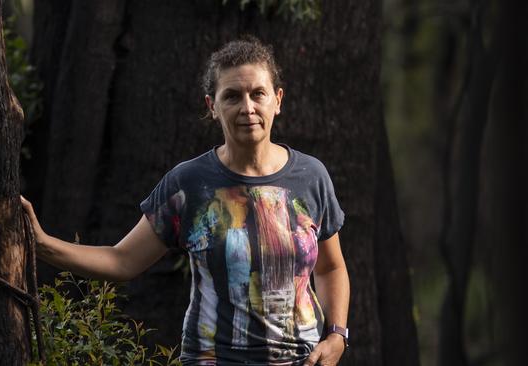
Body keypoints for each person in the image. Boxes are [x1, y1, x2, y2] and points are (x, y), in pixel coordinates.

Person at [21, 36, 349, 366]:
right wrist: (44, 245)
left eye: (258, 94)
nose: (247, 108)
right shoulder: (189, 184)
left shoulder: (311, 177)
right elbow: (122, 261)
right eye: (232, 96)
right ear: (212, 106)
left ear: (277, 100)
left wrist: (336, 335)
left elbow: (331, 267)